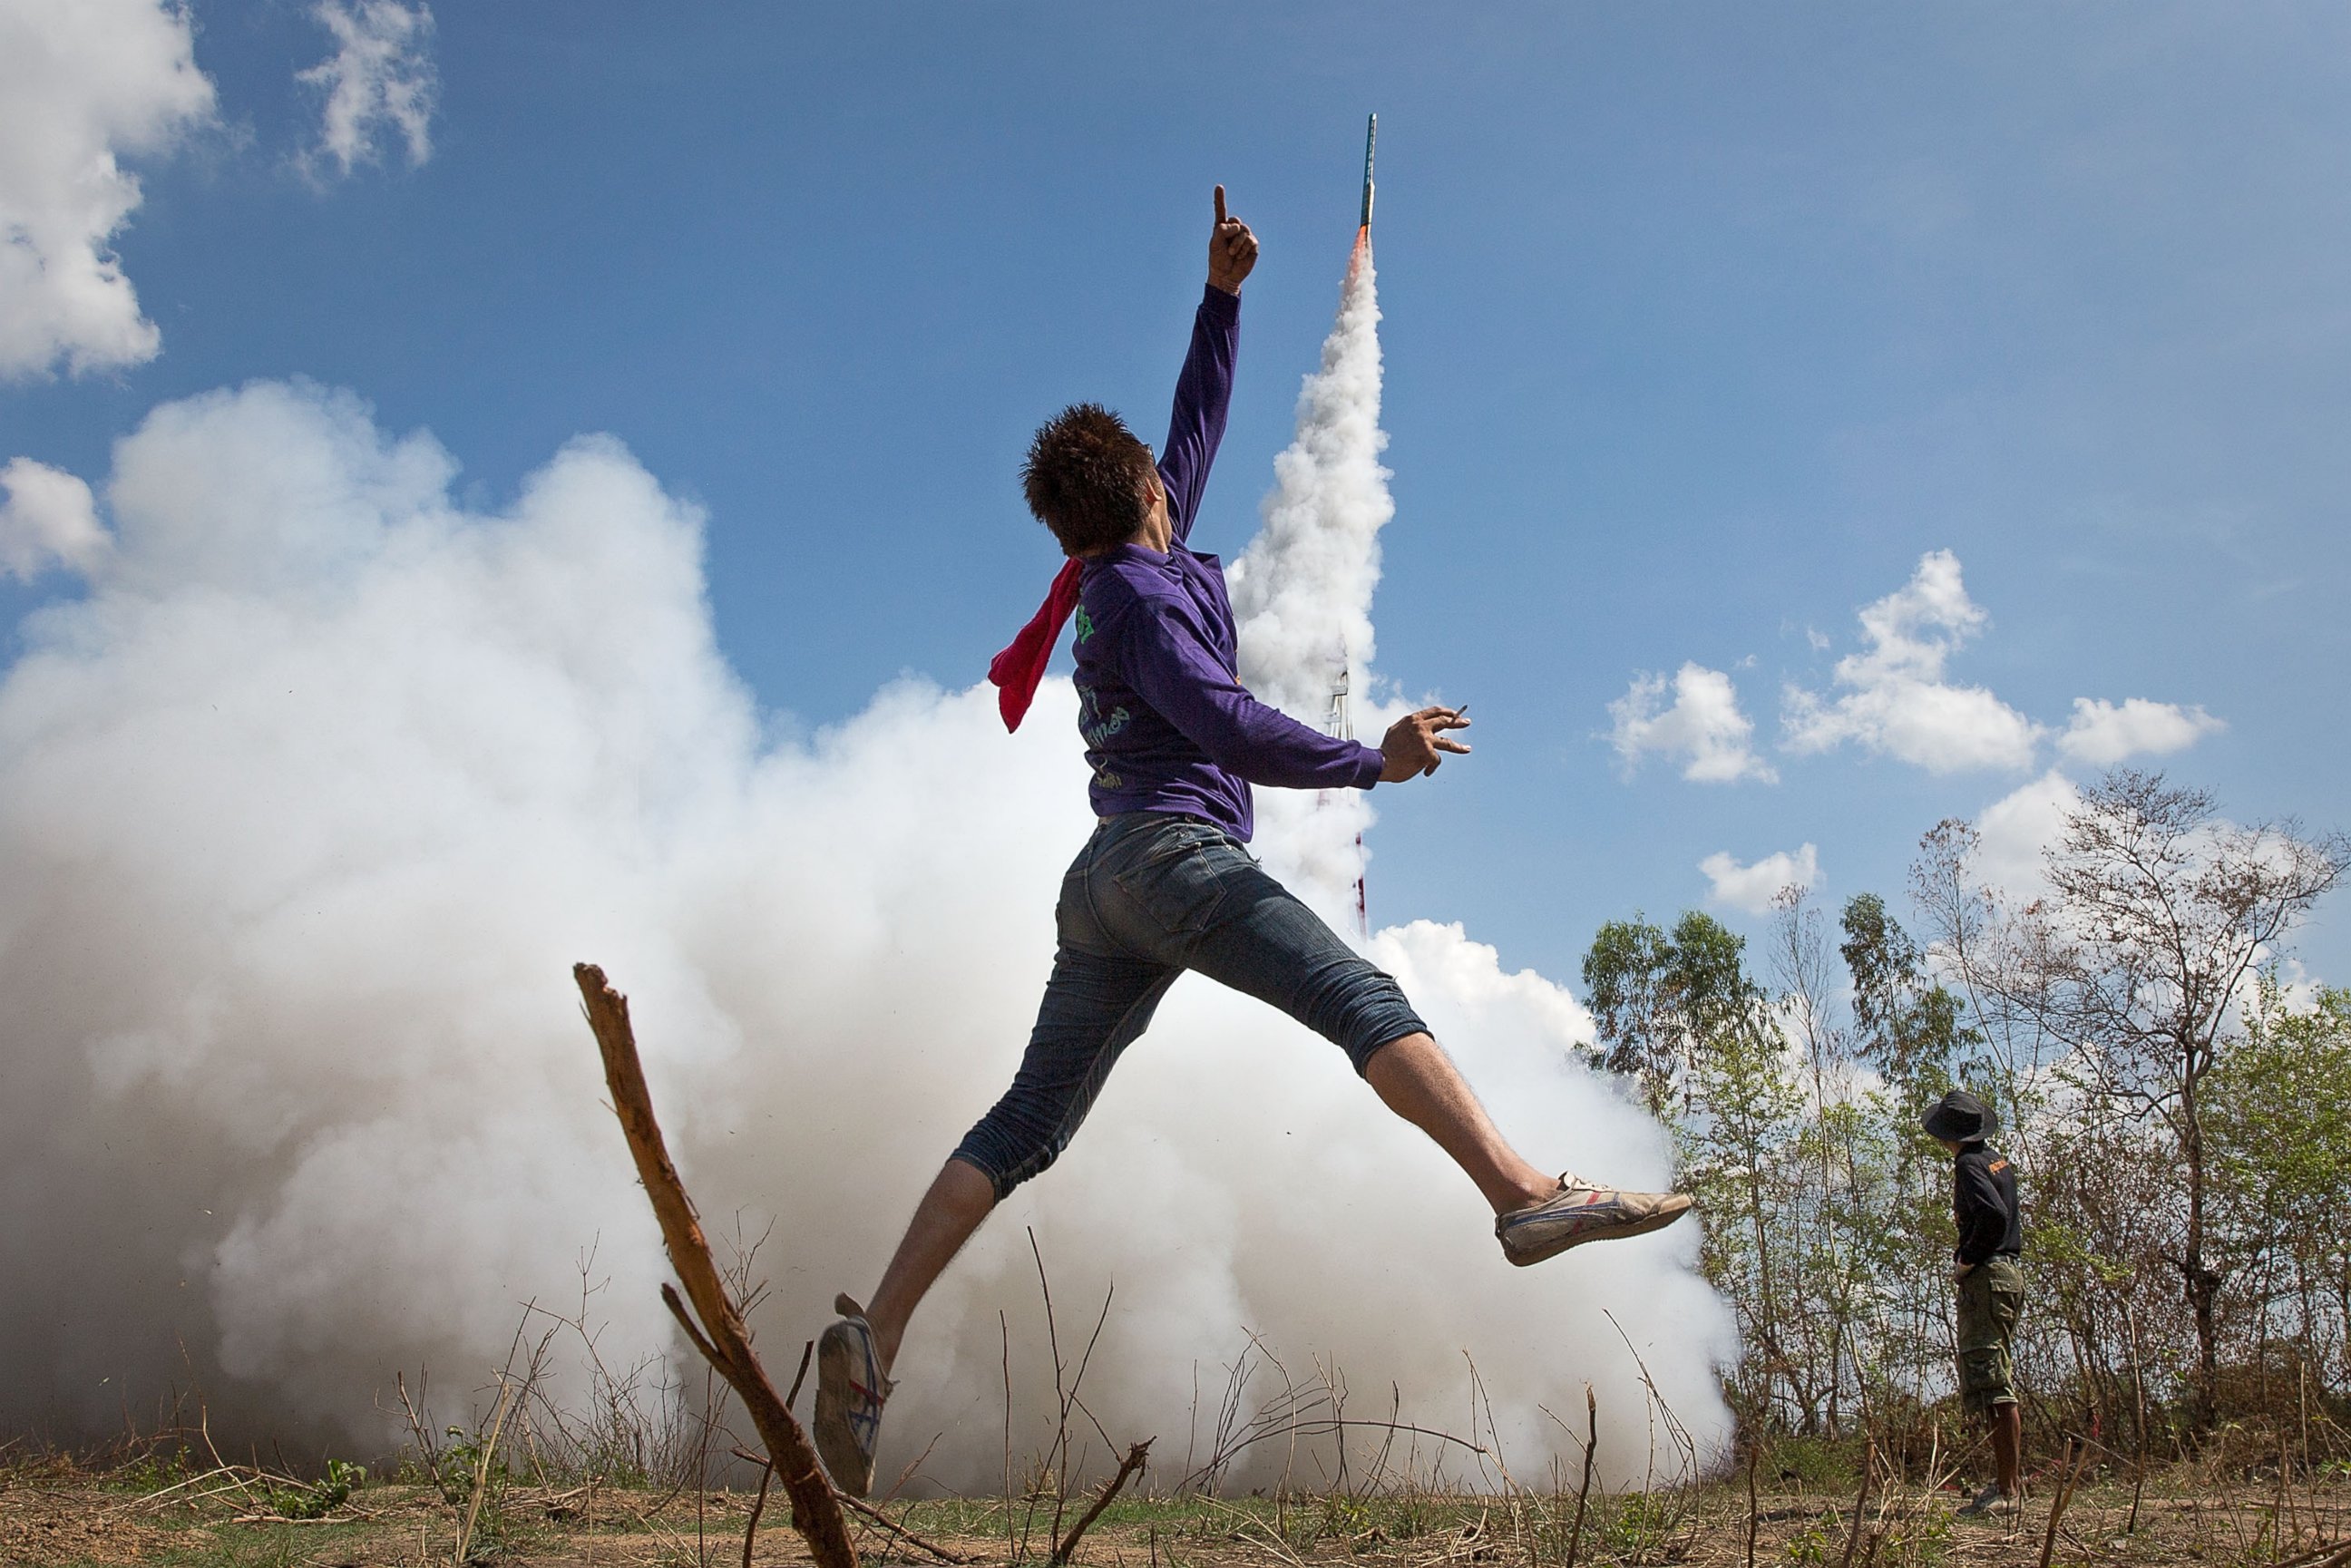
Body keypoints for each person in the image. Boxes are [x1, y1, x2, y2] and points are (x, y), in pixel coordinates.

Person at [810, 186, 1693, 1496]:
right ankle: (1520, 1192)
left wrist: (1220, 299)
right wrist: (1368, 763)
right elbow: (1224, 722)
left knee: (1028, 1121)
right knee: (1363, 996)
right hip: (1171, 862)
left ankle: (871, 1337)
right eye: (1173, 482)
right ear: (1150, 502)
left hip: (1102, 885)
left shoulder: (1114, 575)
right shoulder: (1146, 605)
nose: (1186, 479)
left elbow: (1196, 423)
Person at [1925, 1088, 2024, 1518]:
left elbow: (1994, 1217)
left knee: (1992, 1382)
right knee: (1993, 1377)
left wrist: (1967, 1259)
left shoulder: (1967, 1165)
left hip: (1988, 1278)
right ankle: (2006, 1483)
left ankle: (2009, 1490)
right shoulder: (1995, 1160)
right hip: (2007, 1275)